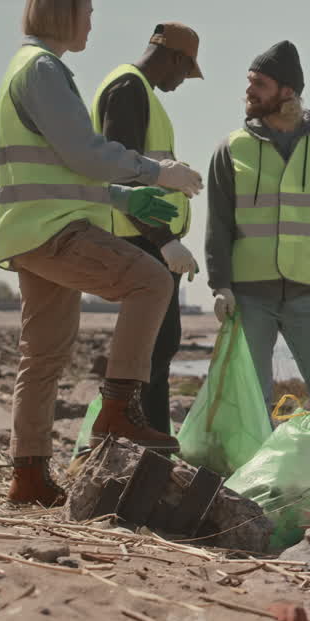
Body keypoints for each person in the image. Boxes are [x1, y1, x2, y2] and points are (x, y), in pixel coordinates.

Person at [0, 0, 203, 507]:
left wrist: (123, 199)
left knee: (42, 356)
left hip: (26, 228)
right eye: (88, 13)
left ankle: (28, 477)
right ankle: (116, 412)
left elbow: (61, 168)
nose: (91, 24)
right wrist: (156, 174)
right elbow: (85, 154)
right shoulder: (43, 69)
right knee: (151, 282)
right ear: (65, 12)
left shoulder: (27, 67)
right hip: (54, 229)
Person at [205, 40, 310, 448]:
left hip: (308, 294)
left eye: (259, 83)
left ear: (287, 91)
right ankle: (254, 480)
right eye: (249, 82)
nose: (249, 91)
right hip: (248, 296)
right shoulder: (231, 147)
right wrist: (219, 284)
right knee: (253, 402)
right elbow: (218, 223)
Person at [91, 22, 204, 434]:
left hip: (144, 236)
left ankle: (149, 436)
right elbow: (123, 175)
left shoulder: (138, 91)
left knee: (158, 344)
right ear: (175, 58)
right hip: (139, 236)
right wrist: (166, 241)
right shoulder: (129, 89)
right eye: (186, 71)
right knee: (154, 346)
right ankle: (141, 436)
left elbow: (141, 168)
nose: (183, 81)